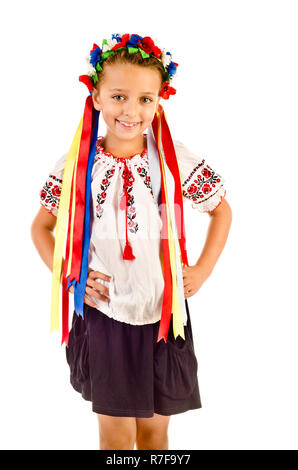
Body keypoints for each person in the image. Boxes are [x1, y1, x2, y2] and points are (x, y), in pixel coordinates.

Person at [31, 33, 232, 450]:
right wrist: (70, 276)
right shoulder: (77, 167)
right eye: (119, 96)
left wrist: (202, 271)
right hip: (105, 313)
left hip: (165, 311)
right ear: (97, 96)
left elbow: (220, 210)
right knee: (117, 435)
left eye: (146, 99)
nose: (132, 110)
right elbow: (41, 228)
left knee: (156, 432)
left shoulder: (171, 159)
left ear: (160, 99)